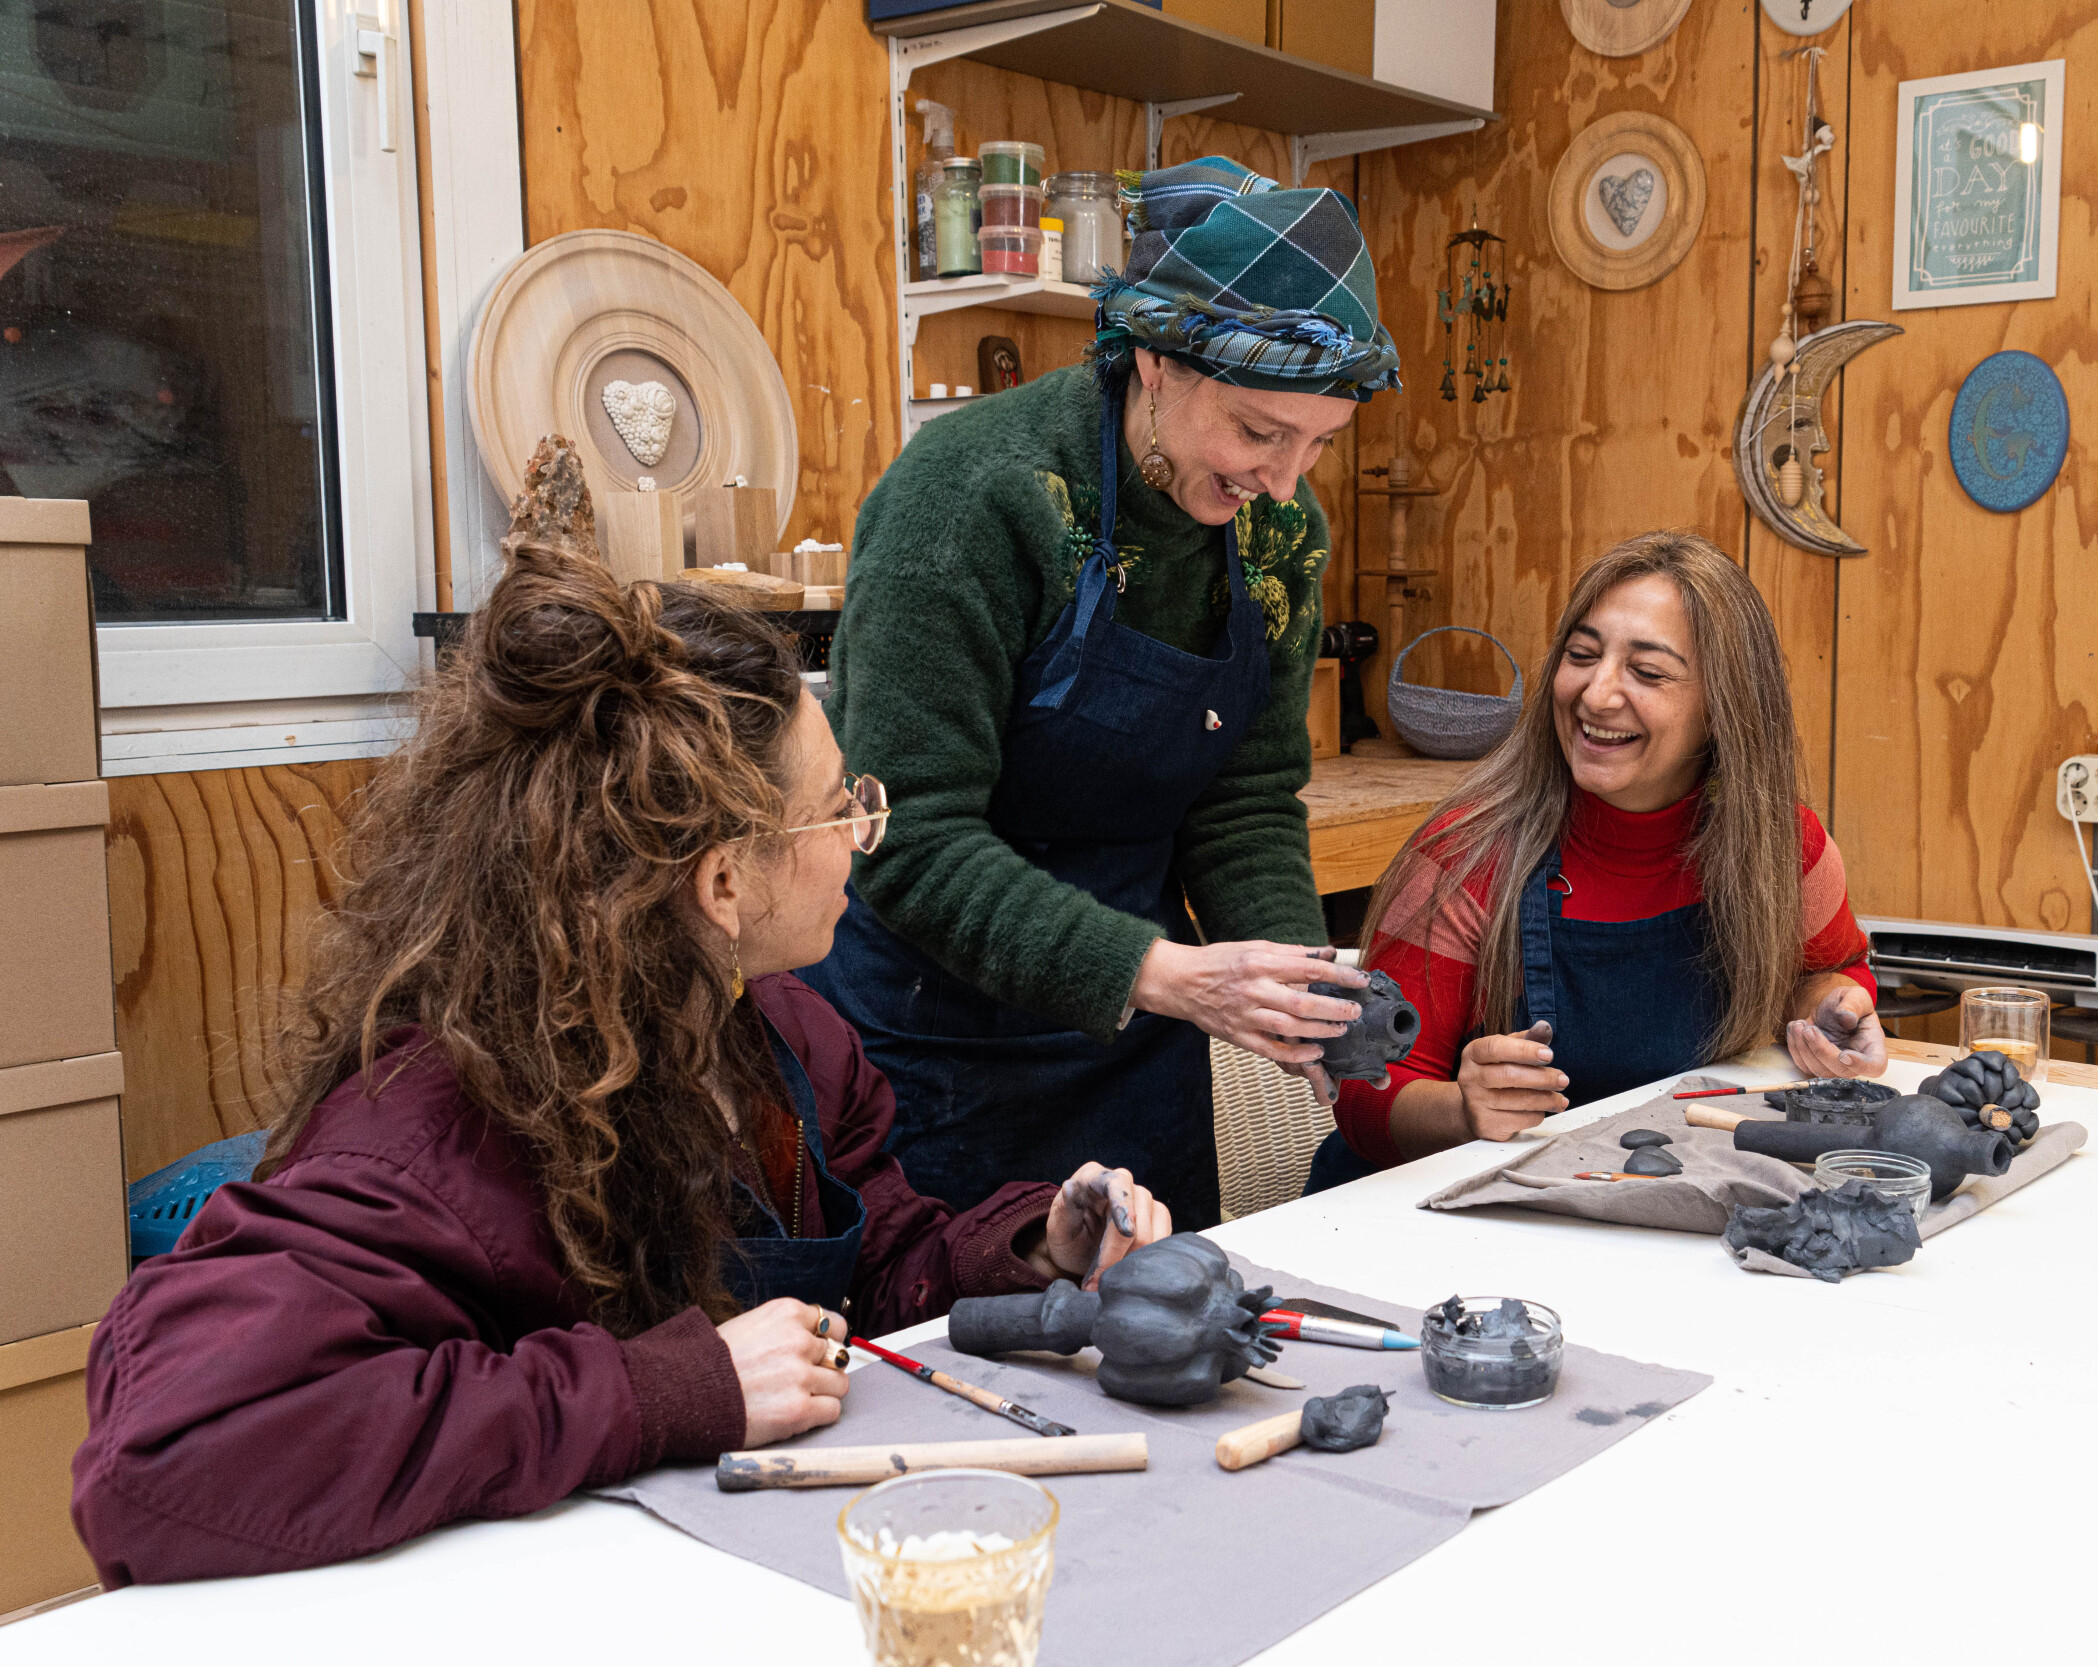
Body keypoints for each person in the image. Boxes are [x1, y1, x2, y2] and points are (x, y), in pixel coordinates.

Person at [70, 545, 1172, 1586]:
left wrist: (1028, 1244)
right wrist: (661, 1393)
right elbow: (159, 1460)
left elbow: (859, 1264)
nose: (859, 831)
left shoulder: (783, 1034)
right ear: (724, 879)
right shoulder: (434, 1135)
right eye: (839, 806)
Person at [807, 157, 1402, 1229]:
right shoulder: (973, 496)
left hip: (1132, 1045)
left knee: (1158, 1337)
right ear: (1156, 364)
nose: (1283, 481)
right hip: (933, 1040)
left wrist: (1301, 994)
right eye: (1260, 431)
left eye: (1320, 442)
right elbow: (906, 834)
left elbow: (1244, 800)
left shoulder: (1276, 535)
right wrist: (1166, 974)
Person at [1311, 531, 1884, 1184]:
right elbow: (1363, 1092)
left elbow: (1833, 969)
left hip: (1649, 1201)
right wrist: (1464, 1110)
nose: (1595, 693)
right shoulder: (1463, 858)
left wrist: (1836, 1011)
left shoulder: (1786, 849)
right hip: (1438, 1216)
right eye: (1582, 655)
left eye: (1647, 672)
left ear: (1723, 709)